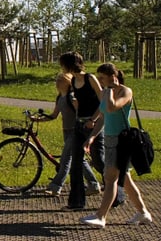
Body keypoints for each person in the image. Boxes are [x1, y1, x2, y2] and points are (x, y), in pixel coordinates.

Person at [80, 63, 153, 228]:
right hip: (110, 139)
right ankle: (143, 213)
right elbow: (103, 116)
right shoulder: (107, 93)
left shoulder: (125, 91)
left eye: (102, 78)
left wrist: (109, 91)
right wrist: (92, 137)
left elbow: (112, 108)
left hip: (122, 141)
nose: (99, 81)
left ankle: (101, 216)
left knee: (111, 178)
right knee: (125, 179)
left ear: (113, 76)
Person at [35, 72, 101, 197]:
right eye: (57, 80)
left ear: (67, 82)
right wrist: (38, 119)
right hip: (66, 131)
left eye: (61, 80)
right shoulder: (60, 97)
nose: (58, 83)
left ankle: (56, 186)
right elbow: (54, 115)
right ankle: (93, 184)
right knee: (79, 159)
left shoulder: (72, 96)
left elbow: (80, 112)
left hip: (75, 130)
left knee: (66, 159)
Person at [59, 51, 103, 209]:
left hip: (92, 125)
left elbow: (103, 101)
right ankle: (76, 202)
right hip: (79, 124)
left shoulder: (89, 78)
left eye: (63, 65)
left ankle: (117, 194)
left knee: (99, 161)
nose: (62, 68)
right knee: (76, 164)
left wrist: (94, 120)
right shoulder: (72, 82)